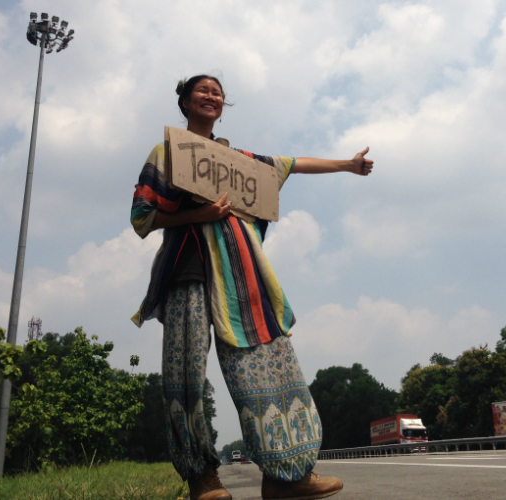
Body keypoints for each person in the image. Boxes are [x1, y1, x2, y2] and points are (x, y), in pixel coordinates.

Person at [130, 75, 373, 500]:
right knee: (185, 375)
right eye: (202, 91)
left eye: (217, 92)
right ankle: (201, 477)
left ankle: (287, 475)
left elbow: (292, 163)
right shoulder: (168, 152)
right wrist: (199, 214)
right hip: (188, 270)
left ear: (223, 106)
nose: (211, 96)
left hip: (243, 277)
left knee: (269, 363)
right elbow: (143, 216)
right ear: (185, 103)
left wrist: (347, 165)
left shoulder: (240, 162)